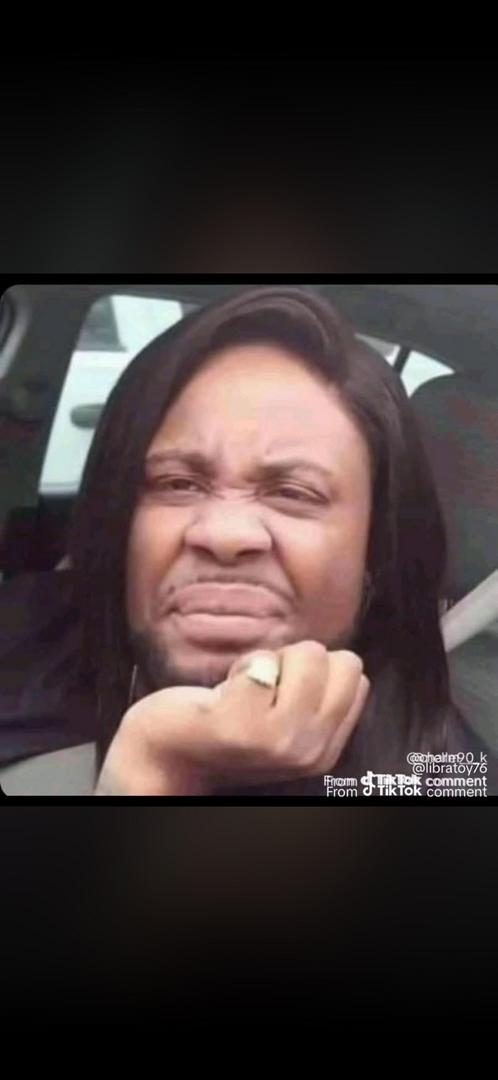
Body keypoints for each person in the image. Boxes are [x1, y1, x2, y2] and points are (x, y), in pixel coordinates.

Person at [2, 286, 495, 797]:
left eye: (293, 493)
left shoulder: (440, 778)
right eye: (178, 483)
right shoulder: (23, 627)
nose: (226, 535)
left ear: (375, 553)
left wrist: (152, 771)